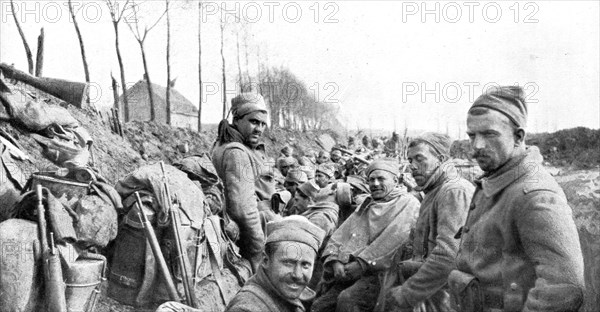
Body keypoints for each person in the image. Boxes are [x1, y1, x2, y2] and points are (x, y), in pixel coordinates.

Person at [451, 86, 584, 311]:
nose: (476, 146)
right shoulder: (498, 179)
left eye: (489, 134)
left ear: (518, 136)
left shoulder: (535, 195)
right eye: (472, 136)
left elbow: (564, 287)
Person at [380, 133, 474, 311]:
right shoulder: (435, 190)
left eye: (419, 159)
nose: (412, 167)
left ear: (440, 159)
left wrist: (408, 292)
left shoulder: (453, 191)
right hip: (432, 290)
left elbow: (449, 256)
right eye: (410, 160)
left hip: (446, 297)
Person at [311, 159, 420, 312]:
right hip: (351, 270)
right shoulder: (368, 203)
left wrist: (362, 264)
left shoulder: (408, 203)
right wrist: (335, 260)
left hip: (384, 274)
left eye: (381, 179)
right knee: (319, 306)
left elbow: (393, 239)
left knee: (348, 300)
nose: (375, 184)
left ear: (395, 180)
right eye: (371, 180)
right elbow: (342, 234)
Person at [212, 92, 275, 273]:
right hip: (246, 238)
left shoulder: (225, 144)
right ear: (237, 120)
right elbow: (243, 210)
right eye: (254, 122)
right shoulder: (237, 153)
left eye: (263, 124)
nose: (259, 129)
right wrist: (258, 249)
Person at [225, 215, 326, 312]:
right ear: (266, 261)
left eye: (305, 265)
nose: (297, 275)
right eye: (288, 263)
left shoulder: (288, 294)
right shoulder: (247, 308)